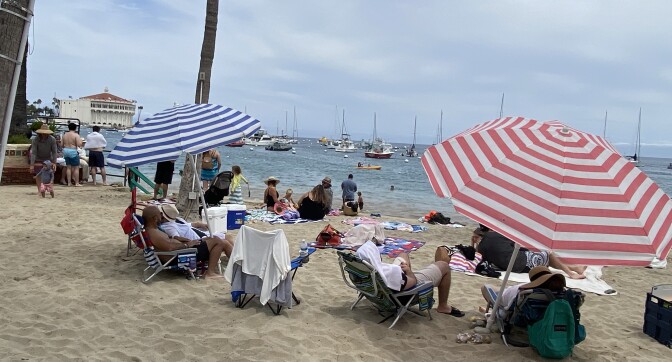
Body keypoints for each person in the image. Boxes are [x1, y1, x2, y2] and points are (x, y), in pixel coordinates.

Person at [356, 240, 464, 317]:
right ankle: (443, 306)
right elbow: (413, 281)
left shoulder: (365, 269)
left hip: (383, 287)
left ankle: (406, 267)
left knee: (403, 255)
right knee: (444, 265)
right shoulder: (391, 274)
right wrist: (409, 271)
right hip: (405, 289)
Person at [142, 205, 231, 279]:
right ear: (154, 218)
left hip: (180, 252)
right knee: (218, 242)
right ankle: (210, 273)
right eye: (159, 215)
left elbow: (169, 242)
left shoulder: (153, 230)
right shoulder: (153, 233)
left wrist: (187, 242)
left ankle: (212, 271)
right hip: (179, 257)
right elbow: (170, 247)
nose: (161, 217)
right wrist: (187, 245)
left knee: (213, 239)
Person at [471, 226, 587, 279]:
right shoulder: (495, 235)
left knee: (543, 258)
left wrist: (473, 244)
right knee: (548, 253)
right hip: (520, 263)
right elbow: (518, 243)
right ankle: (571, 273)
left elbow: (475, 255)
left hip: (512, 267)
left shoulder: (481, 248)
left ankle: (575, 268)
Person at [481, 265, 566, 317]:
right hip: (543, 314)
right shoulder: (560, 294)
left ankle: (493, 311)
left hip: (509, 301)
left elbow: (507, 308)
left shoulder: (524, 292)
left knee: (486, 287)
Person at [30, 124, 58, 194]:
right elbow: (34, 153)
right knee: (38, 174)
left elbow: (54, 152)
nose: (45, 135)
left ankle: (50, 188)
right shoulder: (35, 140)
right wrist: (32, 164)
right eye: (43, 133)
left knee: (50, 173)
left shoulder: (52, 139)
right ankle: (40, 190)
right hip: (38, 158)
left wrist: (54, 162)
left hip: (48, 158)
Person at [61, 123, 83, 187]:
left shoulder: (65, 135)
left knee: (68, 167)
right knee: (76, 167)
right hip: (72, 150)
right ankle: (77, 183)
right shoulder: (76, 135)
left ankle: (69, 183)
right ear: (75, 128)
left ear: (68, 128)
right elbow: (79, 144)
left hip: (65, 150)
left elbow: (61, 145)